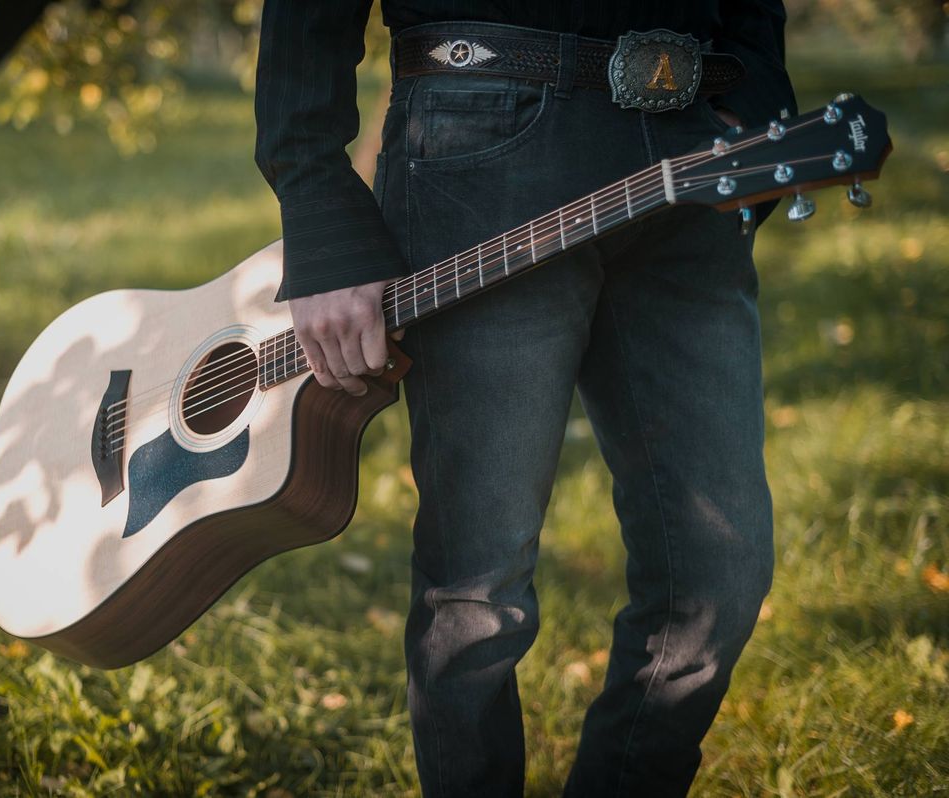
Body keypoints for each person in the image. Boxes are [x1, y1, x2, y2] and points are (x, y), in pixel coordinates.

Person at [254, 3, 795, 796]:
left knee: (721, 573)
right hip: (481, 135)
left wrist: (759, 94)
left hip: (693, 157)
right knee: (478, 590)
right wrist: (317, 206)